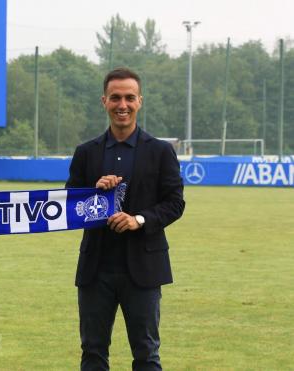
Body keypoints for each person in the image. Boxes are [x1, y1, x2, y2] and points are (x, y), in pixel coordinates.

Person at [65, 67, 185, 370]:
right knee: (93, 353)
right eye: (115, 97)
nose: (123, 105)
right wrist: (95, 193)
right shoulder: (86, 153)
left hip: (144, 270)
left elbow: (174, 203)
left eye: (129, 97)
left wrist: (139, 220)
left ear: (140, 101)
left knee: (146, 355)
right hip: (96, 270)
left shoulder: (160, 151)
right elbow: (71, 206)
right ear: (104, 101)